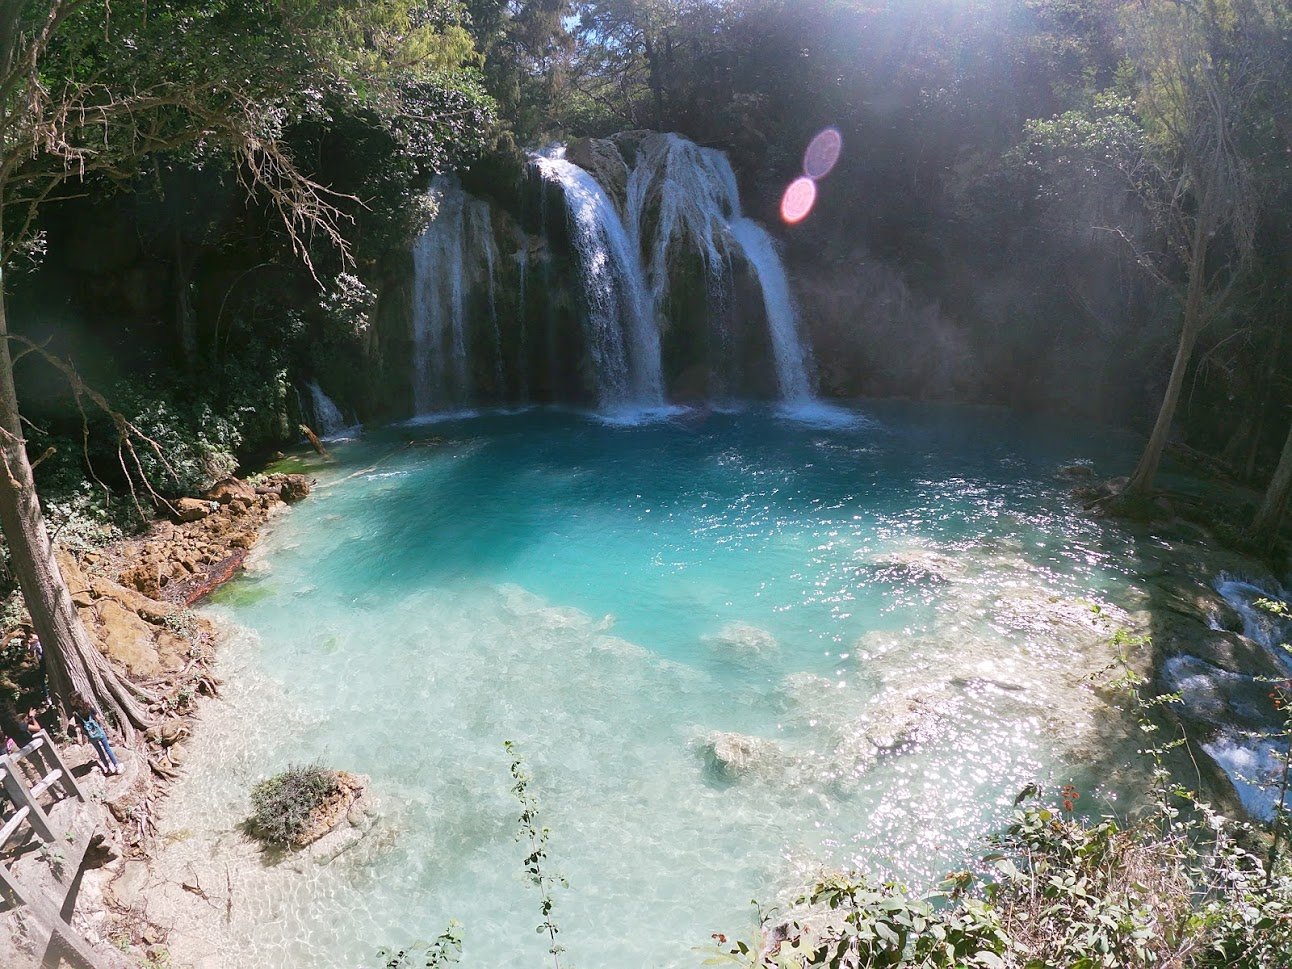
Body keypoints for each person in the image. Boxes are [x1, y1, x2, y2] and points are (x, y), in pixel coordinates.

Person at [71, 694, 120, 776]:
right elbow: (97, 717)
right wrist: (102, 726)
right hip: (99, 731)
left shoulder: (76, 713)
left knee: (100, 751)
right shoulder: (88, 706)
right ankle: (116, 765)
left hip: (91, 735)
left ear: (74, 700)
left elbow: (80, 726)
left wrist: (84, 734)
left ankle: (107, 768)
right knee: (107, 749)